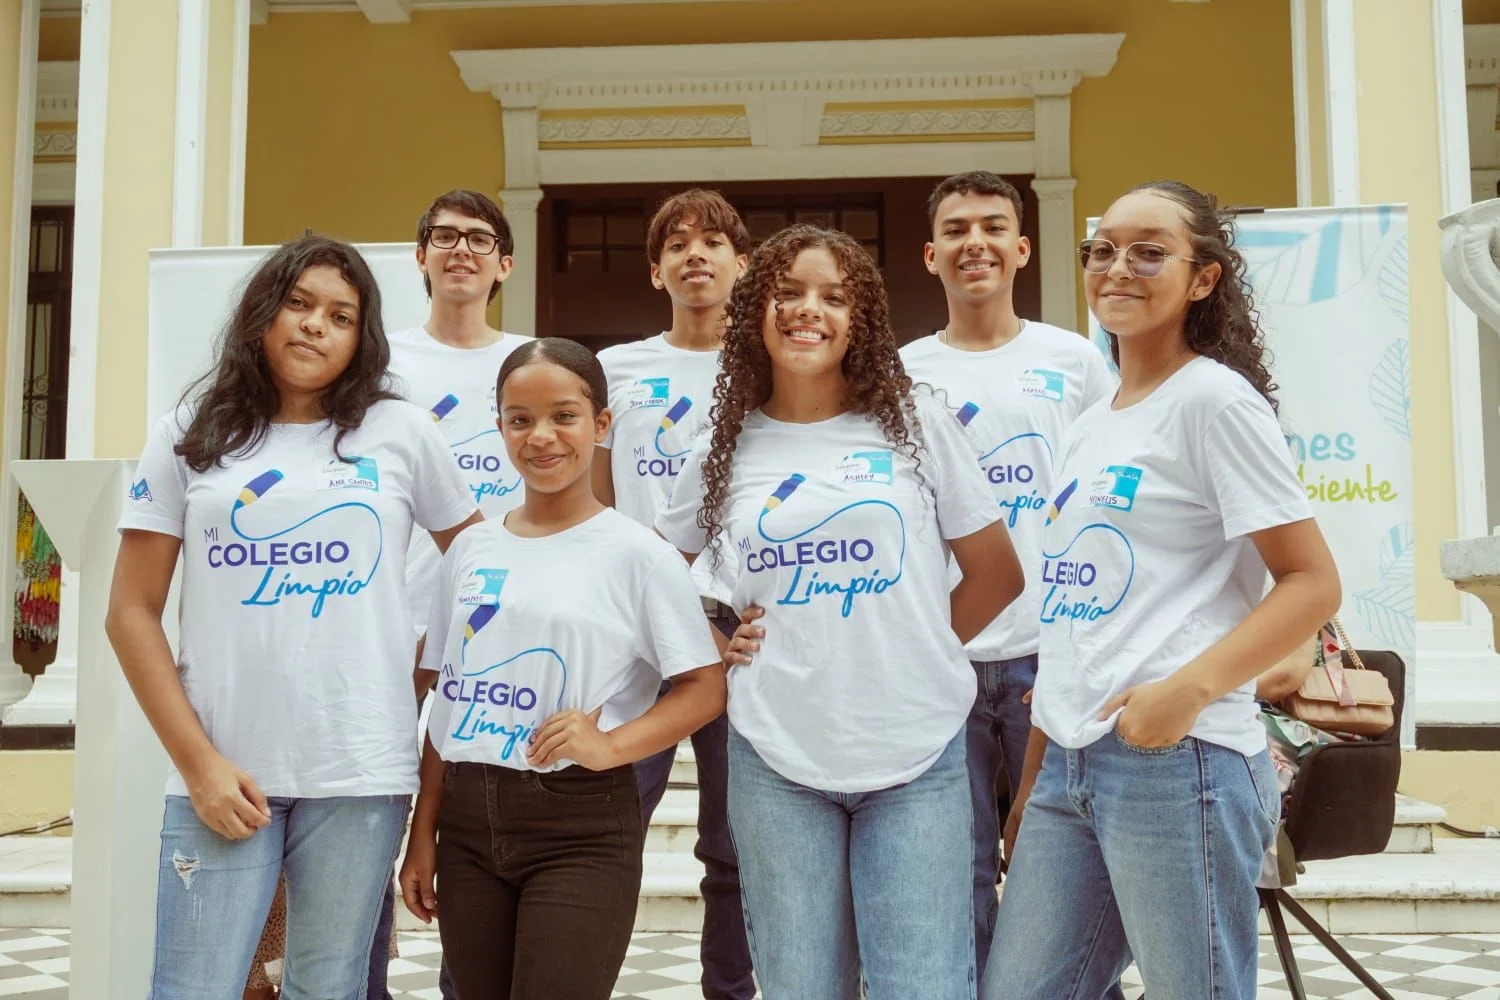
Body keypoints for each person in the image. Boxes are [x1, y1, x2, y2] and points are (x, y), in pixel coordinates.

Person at [983, 181, 1342, 1000]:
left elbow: (1312, 581)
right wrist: (1036, 776)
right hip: (1070, 761)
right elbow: (1070, 614)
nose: (1118, 268)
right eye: (1103, 250)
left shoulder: (1214, 402)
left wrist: (1189, 691)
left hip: (1179, 763)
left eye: (1149, 252)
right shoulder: (1093, 420)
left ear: (1203, 278)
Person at [106, 235, 482, 998]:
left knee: (327, 988)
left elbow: (483, 567)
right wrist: (199, 765)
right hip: (224, 771)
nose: (315, 325)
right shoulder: (190, 430)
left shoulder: (401, 431)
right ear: (261, 313)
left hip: (360, 772)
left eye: (341, 316)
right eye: (299, 304)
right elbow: (130, 612)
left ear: (361, 338)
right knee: (192, 989)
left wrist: (429, 661)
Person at [657, 224, 1024, 999]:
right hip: (776, 757)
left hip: (916, 753)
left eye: (833, 297)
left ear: (862, 320)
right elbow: (653, 578)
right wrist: (713, 644)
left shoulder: (915, 424)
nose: (808, 310)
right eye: (788, 293)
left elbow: (998, 574)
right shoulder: (726, 443)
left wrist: (915, 648)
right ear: (755, 311)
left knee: (922, 988)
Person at [399, 338, 728, 1000]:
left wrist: (611, 746)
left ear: (601, 424)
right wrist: (423, 830)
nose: (541, 436)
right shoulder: (469, 550)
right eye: (520, 419)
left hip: (579, 824)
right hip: (466, 821)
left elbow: (704, 687)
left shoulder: (640, 556)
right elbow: (448, 697)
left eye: (564, 416)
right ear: (500, 427)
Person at [899, 170, 1115, 980]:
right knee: (951, 876)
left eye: (993, 227)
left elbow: (1106, 502)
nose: (975, 243)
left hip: (1052, 656)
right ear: (931, 255)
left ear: (1023, 248)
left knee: (1058, 864)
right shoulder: (900, 371)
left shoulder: (1076, 361)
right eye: (955, 229)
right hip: (943, 656)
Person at [593, 188, 754, 1000]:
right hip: (634, 630)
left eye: (714, 242)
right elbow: (592, 499)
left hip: (735, 632)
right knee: (606, 828)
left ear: (742, 264)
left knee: (734, 846)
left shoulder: (768, 367)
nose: (697, 255)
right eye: (678, 245)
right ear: (656, 270)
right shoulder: (616, 370)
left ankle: (731, 990)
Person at [372, 188, 530, 1000]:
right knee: (370, 825)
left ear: (506, 263)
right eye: (444, 236)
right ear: (420, 257)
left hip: (504, 631)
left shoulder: (535, 359)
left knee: (473, 829)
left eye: (479, 238)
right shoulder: (380, 365)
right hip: (391, 627)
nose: (461, 249)